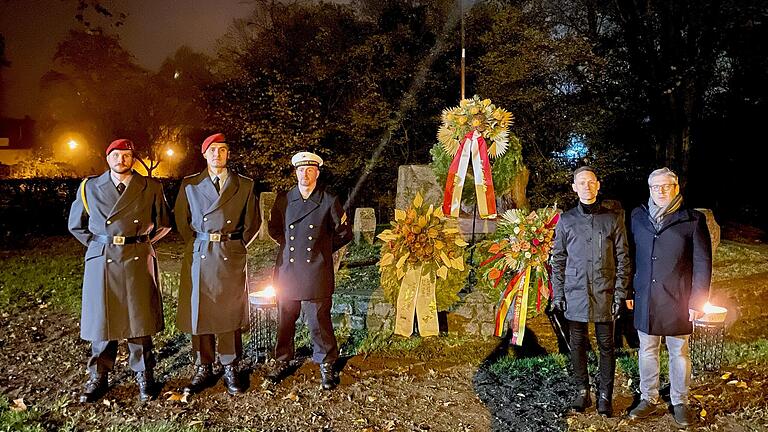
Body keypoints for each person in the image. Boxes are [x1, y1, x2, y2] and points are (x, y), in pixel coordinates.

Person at [68, 138, 171, 403]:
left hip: (136, 258)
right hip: (102, 260)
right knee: (103, 320)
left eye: (126, 155)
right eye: (115, 155)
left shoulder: (151, 186)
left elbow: (163, 224)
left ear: (133, 159)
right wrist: (100, 246)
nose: (120, 159)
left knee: (139, 320)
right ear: (107, 158)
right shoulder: (89, 187)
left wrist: (138, 244)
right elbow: (76, 225)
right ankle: (98, 376)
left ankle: (144, 375)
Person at [174, 133, 260, 396]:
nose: (217, 155)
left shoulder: (243, 185)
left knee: (228, 312)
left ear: (228, 154)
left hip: (228, 254)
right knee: (200, 312)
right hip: (200, 253)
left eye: (222, 150)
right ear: (204, 154)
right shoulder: (189, 185)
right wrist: (200, 243)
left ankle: (230, 365)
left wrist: (233, 246)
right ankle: (204, 366)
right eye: (212, 150)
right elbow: (182, 220)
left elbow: (252, 223)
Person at [628, 167, 711, 427]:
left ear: (676, 188)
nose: (660, 191)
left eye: (666, 186)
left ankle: (680, 401)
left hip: (678, 298)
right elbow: (631, 256)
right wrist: (631, 291)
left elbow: (702, 262)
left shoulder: (692, 220)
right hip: (646, 297)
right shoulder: (638, 216)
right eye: (655, 187)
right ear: (649, 189)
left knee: (679, 353)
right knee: (647, 350)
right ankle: (649, 398)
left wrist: (697, 300)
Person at [267, 151, 353, 390]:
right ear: (295, 173)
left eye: (310, 170)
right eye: (301, 170)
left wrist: (322, 249)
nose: (305, 174)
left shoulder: (327, 199)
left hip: (316, 270)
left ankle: (326, 363)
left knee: (319, 321)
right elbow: (275, 229)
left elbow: (344, 233)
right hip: (287, 269)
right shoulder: (284, 199)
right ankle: (283, 360)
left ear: (317, 172)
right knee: (285, 319)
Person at [550, 166, 631, 417]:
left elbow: (623, 258)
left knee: (606, 345)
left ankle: (605, 396)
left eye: (591, 182)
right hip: (575, 292)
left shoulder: (613, 219)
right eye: (581, 182)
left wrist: (620, 293)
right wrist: (559, 293)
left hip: (604, 292)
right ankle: (582, 391)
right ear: (574, 187)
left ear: (598, 185)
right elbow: (558, 258)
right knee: (577, 344)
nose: (586, 186)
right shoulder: (566, 220)